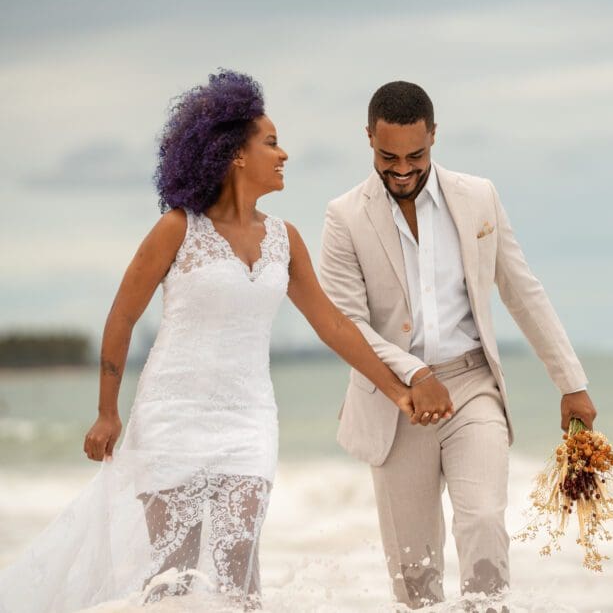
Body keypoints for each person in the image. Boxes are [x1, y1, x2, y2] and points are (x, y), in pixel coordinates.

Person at [0, 70, 414, 612]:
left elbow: (333, 325)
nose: (284, 153)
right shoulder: (178, 228)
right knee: (172, 578)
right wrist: (107, 411)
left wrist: (396, 387)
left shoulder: (284, 240)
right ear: (234, 154)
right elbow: (123, 316)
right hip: (172, 418)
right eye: (270, 142)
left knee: (237, 573)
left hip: (249, 422)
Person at [319, 80, 598, 609]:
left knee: (486, 521)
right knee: (414, 570)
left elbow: (522, 290)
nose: (402, 169)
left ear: (434, 137)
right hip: (393, 401)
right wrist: (416, 376)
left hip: (472, 385)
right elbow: (347, 323)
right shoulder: (345, 217)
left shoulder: (477, 197)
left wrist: (572, 383)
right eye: (387, 156)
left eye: (415, 155)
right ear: (368, 140)